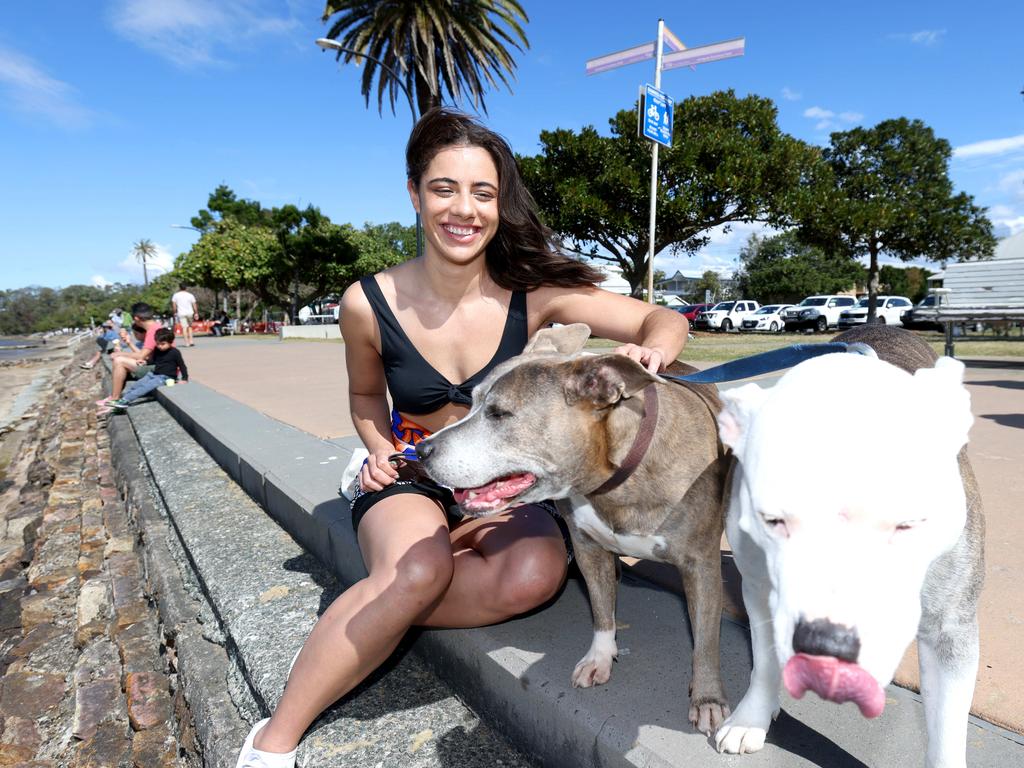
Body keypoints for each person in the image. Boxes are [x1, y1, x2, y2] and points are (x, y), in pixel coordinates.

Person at [235, 108, 689, 768]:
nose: (464, 209)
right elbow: (367, 400)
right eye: (445, 187)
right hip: (413, 472)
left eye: (483, 193)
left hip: (496, 486)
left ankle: (384, 609)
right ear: (415, 192)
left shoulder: (530, 294)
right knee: (418, 566)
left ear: (500, 206)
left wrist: (650, 355)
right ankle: (272, 741)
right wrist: (381, 448)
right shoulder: (367, 302)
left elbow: (661, 317)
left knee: (537, 572)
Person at [98, 328, 188, 415]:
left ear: (170, 342)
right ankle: (121, 401)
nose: (160, 346)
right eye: (158, 344)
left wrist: (184, 378)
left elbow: (182, 365)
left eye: (163, 344)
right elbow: (154, 361)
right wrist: (145, 362)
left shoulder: (175, 352)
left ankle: (125, 401)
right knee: (137, 385)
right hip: (154, 373)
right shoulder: (157, 350)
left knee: (145, 387)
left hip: (165, 377)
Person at [97, 303, 163, 408]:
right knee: (121, 361)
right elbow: (147, 356)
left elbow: (142, 355)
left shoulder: (153, 331)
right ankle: (114, 397)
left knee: (119, 361)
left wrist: (121, 353)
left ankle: (114, 398)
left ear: (136, 318)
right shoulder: (156, 328)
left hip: (161, 370)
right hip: (157, 365)